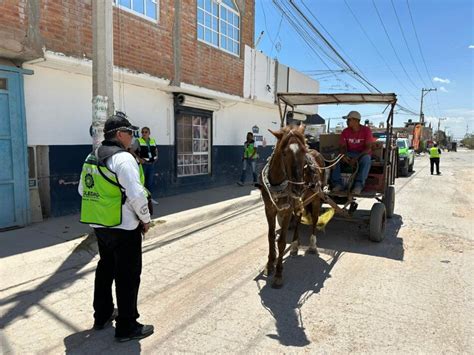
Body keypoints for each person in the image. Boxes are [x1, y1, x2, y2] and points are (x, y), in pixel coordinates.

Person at [78, 112, 154, 342]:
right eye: (130, 133)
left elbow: (83, 191)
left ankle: (101, 315)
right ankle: (127, 327)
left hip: (100, 225)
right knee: (128, 276)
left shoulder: (92, 157)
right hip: (124, 227)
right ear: (120, 134)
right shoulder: (124, 159)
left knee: (105, 268)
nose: (132, 137)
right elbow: (137, 195)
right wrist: (146, 219)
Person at [331, 110, 373, 194]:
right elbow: (342, 147)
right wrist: (344, 155)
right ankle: (338, 184)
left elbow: (368, 148)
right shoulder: (345, 131)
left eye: (349, 120)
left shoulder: (366, 130)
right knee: (336, 158)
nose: (347, 122)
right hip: (350, 153)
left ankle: (358, 185)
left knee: (367, 159)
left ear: (356, 120)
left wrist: (356, 158)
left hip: (362, 154)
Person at [133, 127, 159, 204]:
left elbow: (156, 150)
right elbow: (131, 150)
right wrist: (139, 159)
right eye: (143, 132)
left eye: (146, 132)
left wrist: (157, 156)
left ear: (149, 133)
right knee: (142, 182)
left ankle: (150, 199)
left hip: (151, 165)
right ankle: (142, 200)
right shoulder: (138, 141)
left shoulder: (153, 141)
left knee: (150, 183)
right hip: (143, 165)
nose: (144, 133)